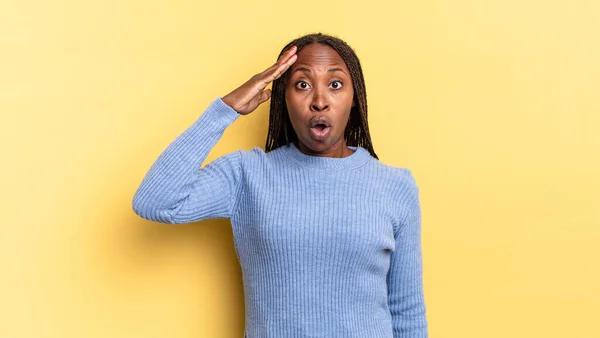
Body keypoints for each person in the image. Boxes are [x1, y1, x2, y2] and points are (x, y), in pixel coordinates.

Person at [132, 33, 428, 338]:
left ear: (355, 98)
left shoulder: (395, 186)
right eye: (302, 85)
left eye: (335, 85)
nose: (319, 100)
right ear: (282, 98)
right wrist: (224, 110)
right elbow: (156, 202)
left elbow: (406, 311)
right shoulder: (247, 175)